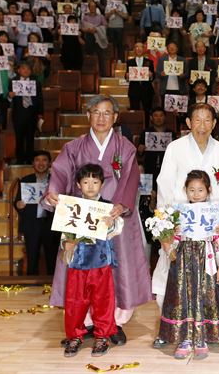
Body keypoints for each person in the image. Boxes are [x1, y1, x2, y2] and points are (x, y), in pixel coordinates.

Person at [43, 95, 152, 346]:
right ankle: (86, 321)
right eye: (96, 112)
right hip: (83, 216)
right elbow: (60, 174)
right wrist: (54, 193)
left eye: (107, 113)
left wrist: (121, 205)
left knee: (117, 268)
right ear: (88, 115)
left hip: (114, 218)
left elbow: (131, 179)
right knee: (82, 270)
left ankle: (115, 322)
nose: (101, 118)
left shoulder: (125, 147)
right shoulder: (74, 147)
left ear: (115, 118)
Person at [153, 103, 219, 324]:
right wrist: (166, 224)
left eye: (208, 120)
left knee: (215, 274)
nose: (202, 125)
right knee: (174, 273)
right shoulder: (175, 148)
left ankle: (209, 322)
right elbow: (165, 186)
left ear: (214, 124)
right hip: (182, 226)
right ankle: (175, 322)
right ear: (188, 123)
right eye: (197, 120)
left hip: (211, 226)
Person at [157, 170, 219, 360]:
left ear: (208, 190)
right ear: (185, 191)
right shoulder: (179, 213)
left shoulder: (214, 212)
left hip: (206, 259)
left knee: (204, 295)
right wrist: (169, 242)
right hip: (183, 260)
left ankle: (201, 338)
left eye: (200, 190)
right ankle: (185, 338)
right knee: (182, 296)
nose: (196, 194)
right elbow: (173, 239)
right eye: (191, 190)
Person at [61, 164, 124, 358]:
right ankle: (74, 336)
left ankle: (102, 336)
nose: (90, 186)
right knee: (74, 302)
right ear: (78, 185)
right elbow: (65, 234)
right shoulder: (71, 207)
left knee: (103, 301)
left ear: (102, 184)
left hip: (101, 262)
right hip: (78, 263)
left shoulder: (108, 207)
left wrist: (111, 222)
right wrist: (67, 245)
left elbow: (117, 229)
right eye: (86, 182)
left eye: (95, 182)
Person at [13, 150, 60, 275]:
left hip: (51, 224)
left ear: (50, 163)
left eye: (44, 160)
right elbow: (17, 202)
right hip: (32, 225)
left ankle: (52, 288)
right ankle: (30, 285)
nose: (41, 163)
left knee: (52, 257)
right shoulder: (25, 180)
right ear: (33, 163)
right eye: (37, 160)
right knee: (32, 257)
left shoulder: (56, 181)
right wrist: (18, 205)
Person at [9, 62, 44, 164]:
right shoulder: (13, 81)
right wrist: (10, 96)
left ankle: (29, 159)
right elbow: (8, 99)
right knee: (19, 138)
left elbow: (40, 99)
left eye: (28, 69)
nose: (26, 71)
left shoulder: (35, 82)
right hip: (18, 113)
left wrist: (40, 113)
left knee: (30, 137)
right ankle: (20, 159)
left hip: (31, 113)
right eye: (23, 68)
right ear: (18, 70)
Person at [126, 42, 155, 127]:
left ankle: (146, 128)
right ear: (134, 49)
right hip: (134, 90)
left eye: (140, 47)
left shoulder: (149, 61)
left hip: (147, 90)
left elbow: (154, 76)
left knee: (147, 111)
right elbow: (127, 75)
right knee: (134, 111)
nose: (138, 49)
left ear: (144, 49)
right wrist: (126, 75)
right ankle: (135, 128)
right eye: (136, 47)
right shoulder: (130, 61)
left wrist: (151, 75)